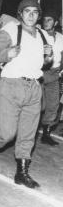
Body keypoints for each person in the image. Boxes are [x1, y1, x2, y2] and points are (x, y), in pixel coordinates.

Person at [0, 0, 53, 189]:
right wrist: (7, 54)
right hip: (11, 85)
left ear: (39, 15)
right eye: (27, 11)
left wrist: (48, 58)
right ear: (20, 14)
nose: (31, 15)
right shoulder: (11, 30)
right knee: (7, 133)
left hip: (34, 87)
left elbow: (43, 62)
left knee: (29, 134)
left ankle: (22, 173)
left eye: (35, 12)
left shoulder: (43, 35)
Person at [39, 9, 63, 146]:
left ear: (55, 22)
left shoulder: (60, 37)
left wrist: (60, 69)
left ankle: (46, 134)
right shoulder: (38, 34)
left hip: (54, 74)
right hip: (41, 73)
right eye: (44, 19)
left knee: (53, 105)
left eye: (49, 20)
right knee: (39, 105)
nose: (45, 22)